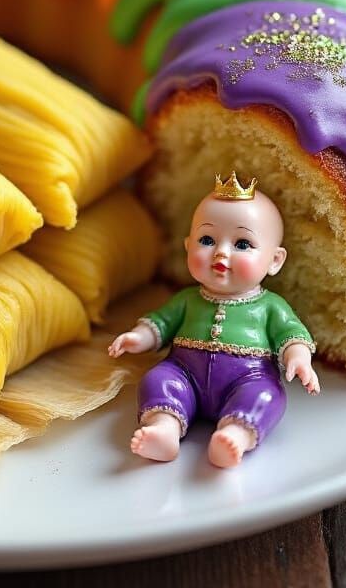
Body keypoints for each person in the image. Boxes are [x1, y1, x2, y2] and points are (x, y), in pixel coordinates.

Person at [108, 173, 320, 468]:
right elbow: (161, 322)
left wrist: (298, 357)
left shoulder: (270, 306)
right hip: (184, 373)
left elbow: (291, 332)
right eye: (207, 240)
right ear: (188, 246)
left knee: (268, 396)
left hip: (248, 377)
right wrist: (139, 337)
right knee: (158, 379)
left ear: (275, 260)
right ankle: (164, 429)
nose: (221, 252)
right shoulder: (186, 299)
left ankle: (235, 435)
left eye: (242, 244)